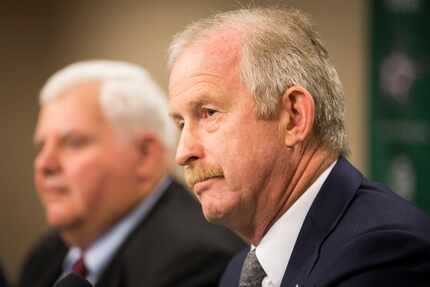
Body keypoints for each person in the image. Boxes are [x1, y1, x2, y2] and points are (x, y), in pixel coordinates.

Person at [167, 7, 430, 287]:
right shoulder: (237, 273)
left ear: (294, 117)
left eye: (208, 113)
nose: (183, 153)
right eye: (181, 124)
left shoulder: (383, 253)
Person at [18, 60, 244, 287]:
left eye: (73, 143)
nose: (44, 164)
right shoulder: (44, 257)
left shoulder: (197, 263)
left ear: (145, 156)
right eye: (41, 147)